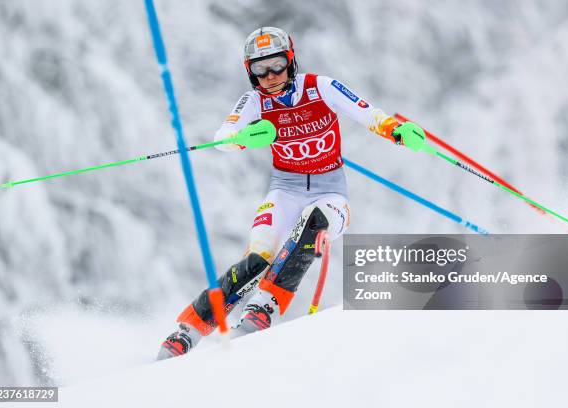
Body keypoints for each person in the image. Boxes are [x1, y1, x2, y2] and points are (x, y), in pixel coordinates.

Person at [158, 27, 423, 359]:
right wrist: (245, 137)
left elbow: (367, 113)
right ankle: (188, 331)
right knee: (257, 259)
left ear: (291, 61)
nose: (269, 76)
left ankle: (263, 306)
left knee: (315, 223)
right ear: (250, 71)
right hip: (285, 190)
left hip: (330, 193)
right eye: (259, 69)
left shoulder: (320, 87)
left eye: (277, 65)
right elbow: (222, 137)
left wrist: (395, 130)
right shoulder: (254, 101)